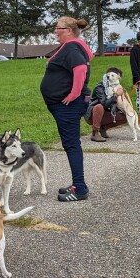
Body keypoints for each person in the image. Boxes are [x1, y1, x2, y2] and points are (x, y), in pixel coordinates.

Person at [40, 16, 94, 202]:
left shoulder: (71, 46)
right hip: (66, 106)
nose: (55, 31)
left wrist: (73, 94)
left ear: (69, 31)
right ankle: (77, 183)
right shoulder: (74, 46)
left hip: (70, 105)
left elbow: (80, 69)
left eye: (58, 28)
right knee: (71, 144)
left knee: (71, 145)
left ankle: (79, 188)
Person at [87, 67, 128, 142]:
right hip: (93, 113)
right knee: (99, 107)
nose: (119, 79)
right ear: (108, 76)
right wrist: (116, 95)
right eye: (117, 76)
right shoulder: (100, 86)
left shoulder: (116, 86)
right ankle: (95, 132)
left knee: (128, 116)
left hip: (106, 112)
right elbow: (104, 103)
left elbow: (119, 105)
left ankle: (103, 129)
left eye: (119, 77)